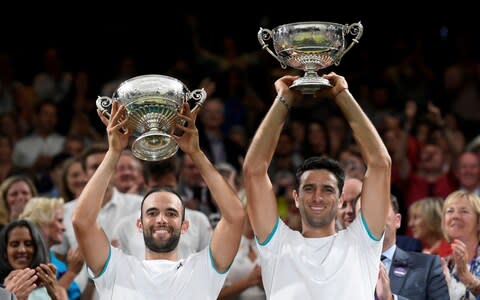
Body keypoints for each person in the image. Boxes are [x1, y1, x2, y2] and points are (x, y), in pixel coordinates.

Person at [72, 100, 245, 299]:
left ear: (185, 225)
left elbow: (236, 217)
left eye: (171, 213)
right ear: (139, 223)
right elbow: (82, 222)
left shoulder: (203, 268)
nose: (161, 219)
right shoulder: (117, 269)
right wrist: (113, 153)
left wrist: (195, 153)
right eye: (152, 213)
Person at [242, 73, 392, 299]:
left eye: (328, 190)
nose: (317, 197)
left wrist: (342, 95)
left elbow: (381, 163)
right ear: (295, 197)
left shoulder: (362, 241)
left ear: (341, 199)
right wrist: (283, 100)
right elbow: (253, 171)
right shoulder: (278, 243)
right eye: (309, 188)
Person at [375, 194, 449, 300]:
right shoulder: (346, 263)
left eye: (381, 210)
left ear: (397, 220)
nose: (410, 224)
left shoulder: (429, 264)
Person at [0, 219, 66, 299]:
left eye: (28, 244)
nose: (22, 250)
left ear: (37, 249)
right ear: (5, 252)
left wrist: (56, 296)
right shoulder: (3, 290)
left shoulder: (56, 290)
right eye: (14, 244)